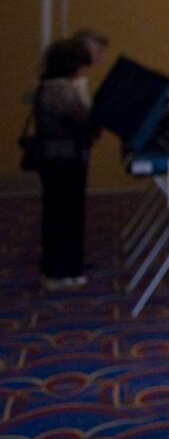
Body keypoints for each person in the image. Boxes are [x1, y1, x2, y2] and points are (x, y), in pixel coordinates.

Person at [34, 39, 96, 291]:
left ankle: (60, 268)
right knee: (66, 216)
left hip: (54, 159)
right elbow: (85, 121)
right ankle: (63, 270)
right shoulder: (62, 91)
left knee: (58, 215)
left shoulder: (47, 87)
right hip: (65, 160)